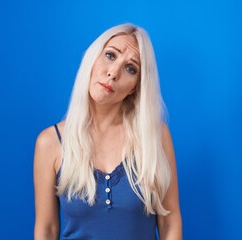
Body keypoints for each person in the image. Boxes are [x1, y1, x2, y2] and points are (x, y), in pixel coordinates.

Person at [33, 23, 182, 240]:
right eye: (110, 55)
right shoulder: (50, 142)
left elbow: (170, 221)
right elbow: (47, 230)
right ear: (92, 59)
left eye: (130, 68)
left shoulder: (155, 136)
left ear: (135, 87)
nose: (113, 73)